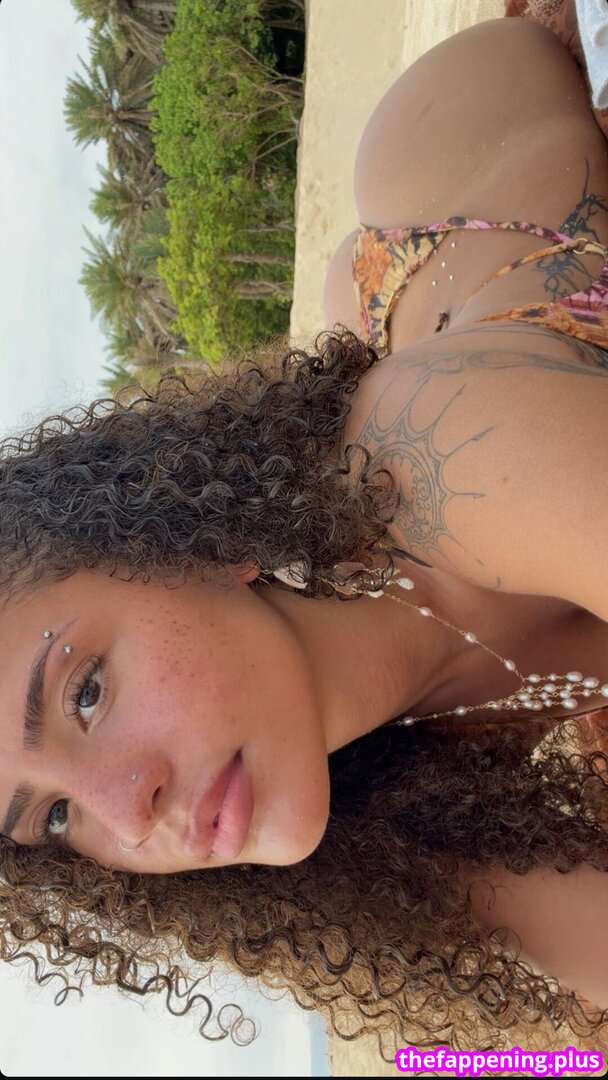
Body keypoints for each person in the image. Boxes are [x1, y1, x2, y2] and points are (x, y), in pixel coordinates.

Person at [1, 8, 608, 1060]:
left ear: (182, 542)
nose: (129, 815)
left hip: (455, 182)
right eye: (54, 820)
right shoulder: (391, 807)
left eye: (85, 691)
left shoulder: (440, 458)